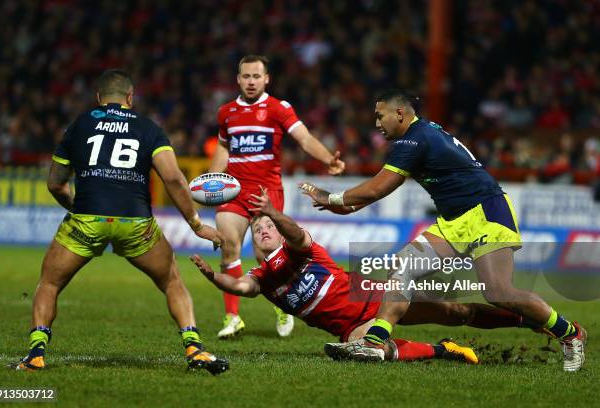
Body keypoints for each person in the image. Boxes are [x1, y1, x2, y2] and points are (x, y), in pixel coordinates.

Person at [299, 89, 586, 372]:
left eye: (379, 116)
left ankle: (569, 332)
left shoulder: (413, 139)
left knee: (499, 292)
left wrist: (333, 198)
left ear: (399, 113)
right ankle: (375, 341)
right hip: (454, 220)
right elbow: (375, 191)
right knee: (403, 265)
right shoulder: (419, 134)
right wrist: (345, 207)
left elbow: (377, 188)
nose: (376, 123)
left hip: (486, 212)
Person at [13, 69, 228, 375]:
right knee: (170, 281)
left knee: (49, 283)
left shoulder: (80, 125)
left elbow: (55, 184)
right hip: (135, 223)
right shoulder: (148, 128)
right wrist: (197, 224)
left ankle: (36, 353)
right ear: (130, 97)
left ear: (98, 98)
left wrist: (77, 207)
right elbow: (174, 180)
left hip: (87, 221)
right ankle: (194, 347)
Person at [191, 187, 534, 364]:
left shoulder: (299, 249)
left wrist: (272, 212)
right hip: (351, 327)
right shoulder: (261, 276)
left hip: (375, 295)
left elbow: (295, 233)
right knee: (369, 352)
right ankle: (444, 351)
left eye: (268, 226)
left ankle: (527, 319)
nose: (263, 230)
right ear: (252, 240)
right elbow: (238, 285)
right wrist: (211, 275)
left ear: (279, 232)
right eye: (257, 228)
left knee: (459, 311)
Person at [209, 55, 345, 339]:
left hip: (265, 193)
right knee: (229, 246)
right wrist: (211, 181)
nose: (250, 81)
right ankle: (233, 317)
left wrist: (327, 160)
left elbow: (305, 138)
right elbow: (223, 148)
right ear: (238, 79)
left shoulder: (279, 109)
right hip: (233, 190)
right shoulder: (226, 112)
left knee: (267, 254)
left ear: (266, 79)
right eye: (246, 76)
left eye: (256, 76)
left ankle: (282, 306)